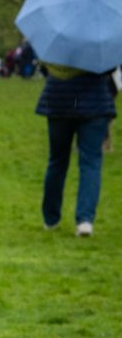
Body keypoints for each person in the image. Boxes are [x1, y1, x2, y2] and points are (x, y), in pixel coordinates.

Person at [36, 62, 115, 236]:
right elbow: (110, 68)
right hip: (95, 101)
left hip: (59, 100)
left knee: (57, 161)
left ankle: (51, 219)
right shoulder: (99, 41)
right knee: (91, 163)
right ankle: (85, 220)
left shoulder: (57, 40)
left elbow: (44, 67)